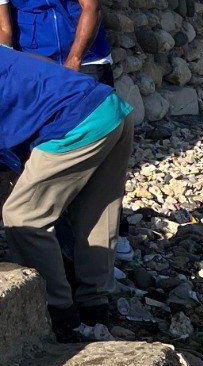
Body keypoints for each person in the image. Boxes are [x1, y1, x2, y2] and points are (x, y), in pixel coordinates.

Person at [0, 0, 134, 257]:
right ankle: (60, 243)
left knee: (96, 155)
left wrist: (74, 61)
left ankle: (107, 236)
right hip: (37, 66)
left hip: (86, 61)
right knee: (47, 162)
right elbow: (5, 23)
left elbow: (90, 8)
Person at [0, 46, 133, 341]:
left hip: (76, 123)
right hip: (107, 106)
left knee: (23, 216)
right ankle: (95, 307)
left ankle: (58, 314)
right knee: (97, 215)